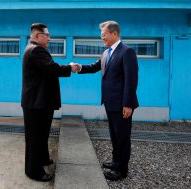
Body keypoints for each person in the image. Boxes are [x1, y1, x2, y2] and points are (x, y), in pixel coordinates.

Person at [74, 21, 139, 181]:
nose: (102, 38)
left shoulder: (127, 52)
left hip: (122, 104)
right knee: (114, 135)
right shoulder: (106, 53)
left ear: (114, 33)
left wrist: (128, 104)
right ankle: (116, 162)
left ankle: (121, 170)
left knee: (122, 137)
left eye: (104, 35)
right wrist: (78, 67)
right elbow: (95, 66)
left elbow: (131, 80)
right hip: (109, 102)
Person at [21, 23, 79, 182]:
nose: (49, 38)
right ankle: (34, 171)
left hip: (39, 102)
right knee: (35, 138)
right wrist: (70, 67)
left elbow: (46, 70)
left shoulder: (33, 49)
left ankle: (43, 159)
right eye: (47, 35)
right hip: (36, 104)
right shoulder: (36, 50)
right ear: (38, 35)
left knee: (41, 135)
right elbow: (52, 68)